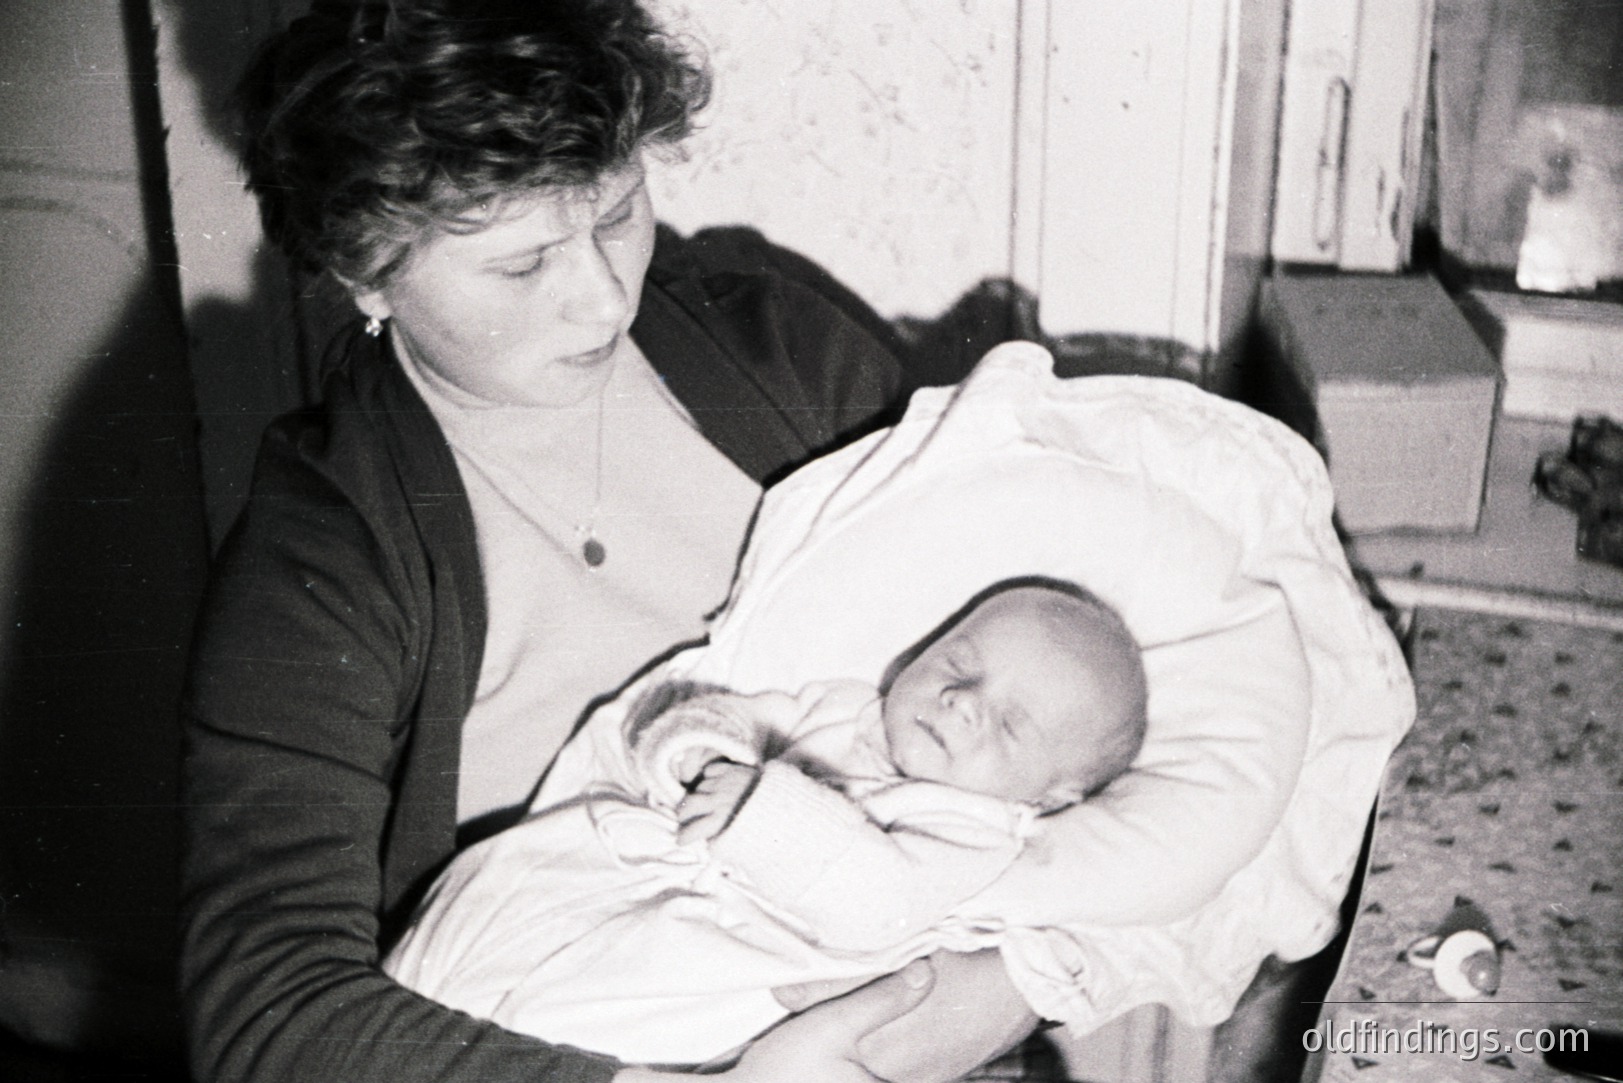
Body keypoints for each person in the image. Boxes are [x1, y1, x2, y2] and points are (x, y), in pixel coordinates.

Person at [177, 2, 1040, 1081]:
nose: (601, 301)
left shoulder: (784, 363)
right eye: (522, 265)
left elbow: (1067, 669)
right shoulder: (323, 560)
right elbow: (266, 1013)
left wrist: (1013, 985)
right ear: (366, 273)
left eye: (618, 212)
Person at [382, 580, 1149, 1065]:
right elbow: (716, 715)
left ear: (1049, 798)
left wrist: (757, 810)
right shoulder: (837, 707)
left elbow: (878, 903)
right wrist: (697, 751)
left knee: (554, 1027)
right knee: (485, 895)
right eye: (956, 664)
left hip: (704, 964)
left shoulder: (977, 832)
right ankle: (389, 1013)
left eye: (1010, 723)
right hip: (604, 876)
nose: (961, 702)